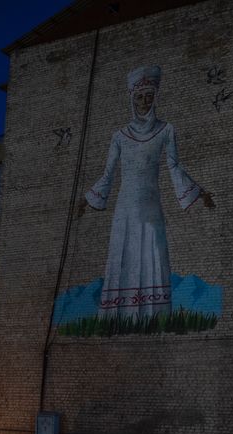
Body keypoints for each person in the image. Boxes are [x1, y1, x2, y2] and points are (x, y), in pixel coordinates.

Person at [77, 65, 215, 321]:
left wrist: (199, 193)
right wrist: (86, 201)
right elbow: (108, 174)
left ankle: (154, 315)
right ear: (132, 98)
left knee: (153, 251)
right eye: (139, 97)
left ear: (155, 97)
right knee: (123, 255)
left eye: (149, 96)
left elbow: (174, 165)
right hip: (125, 207)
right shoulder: (119, 136)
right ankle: (118, 316)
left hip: (151, 205)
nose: (144, 102)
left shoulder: (166, 130)